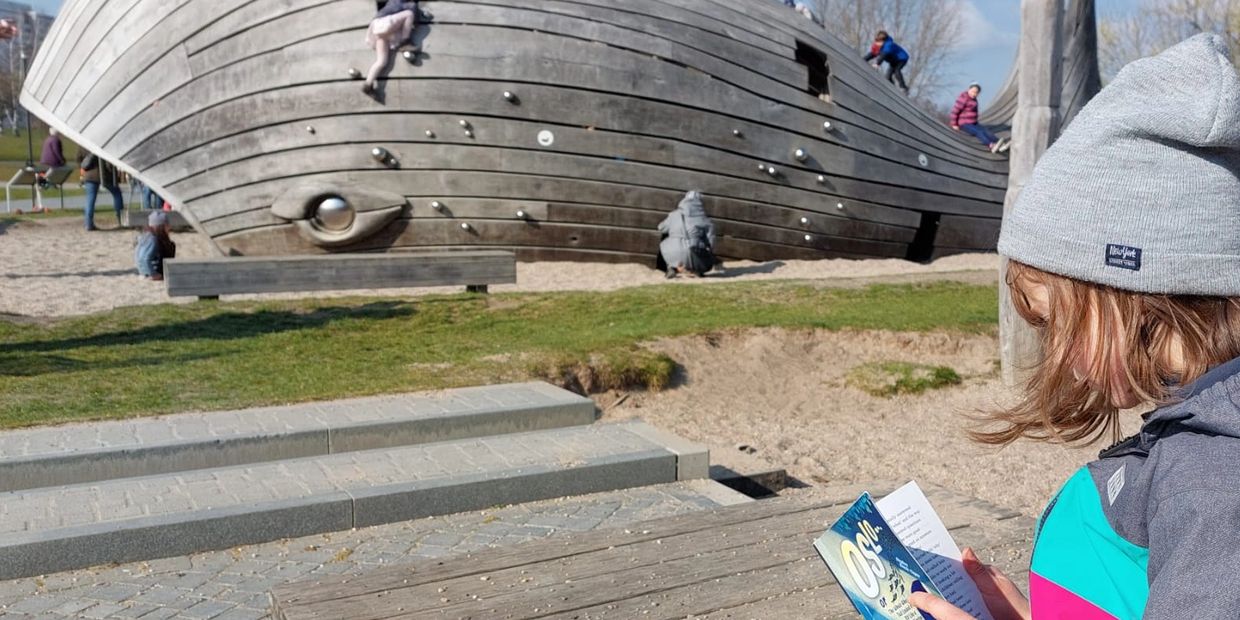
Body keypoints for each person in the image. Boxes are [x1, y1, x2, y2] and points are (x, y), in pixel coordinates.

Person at [908, 34, 1240, 620]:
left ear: (1135, 288)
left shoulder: (1215, 480)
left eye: (1057, 319)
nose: (1053, 350)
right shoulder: (1201, 436)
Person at [363, 0, 418, 96]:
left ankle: (368, 84)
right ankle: (406, 41)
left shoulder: (390, 3)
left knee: (381, 62)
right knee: (409, 14)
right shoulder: (407, 4)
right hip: (386, 24)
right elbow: (413, 15)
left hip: (379, 31)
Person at [657, 190, 716, 278]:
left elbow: (661, 228)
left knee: (665, 237)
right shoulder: (705, 220)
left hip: (673, 253)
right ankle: (697, 269)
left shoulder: (673, 215)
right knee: (703, 245)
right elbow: (711, 243)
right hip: (696, 254)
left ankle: (671, 267)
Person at [951, 82, 1009, 153]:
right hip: (964, 123)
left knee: (986, 130)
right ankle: (990, 145)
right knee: (979, 132)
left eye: (976, 93)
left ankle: (998, 142)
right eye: (973, 92)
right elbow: (955, 111)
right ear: (969, 90)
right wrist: (954, 124)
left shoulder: (974, 99)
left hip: (973, 122)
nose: (974, 94)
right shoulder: (963, 98)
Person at [79, 149, 124, 231]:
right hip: (105, 174)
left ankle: (88, 224)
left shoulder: (84, 141)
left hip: (90, 174)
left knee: (90, 199)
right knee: (117, 193)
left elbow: (79, 157)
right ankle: (121, 219)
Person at [135, 210, 176, 281]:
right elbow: (144, 258)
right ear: (161, 227)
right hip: (152, 272)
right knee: (171, 246)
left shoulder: (145, 236)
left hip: (145, 272)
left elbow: (137, 255)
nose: (169, 227)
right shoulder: (152, 240)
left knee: (170, 244)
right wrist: (153, 274)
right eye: (167, 225)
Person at [33, 128, 65, 213]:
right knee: (54, 174)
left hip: (43, 162)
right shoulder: (56, 140)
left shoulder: (47, 139)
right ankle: (50, 183)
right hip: (53, 163)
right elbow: (57, 152)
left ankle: (46, 182)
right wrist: (62, 161)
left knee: (43, 178)